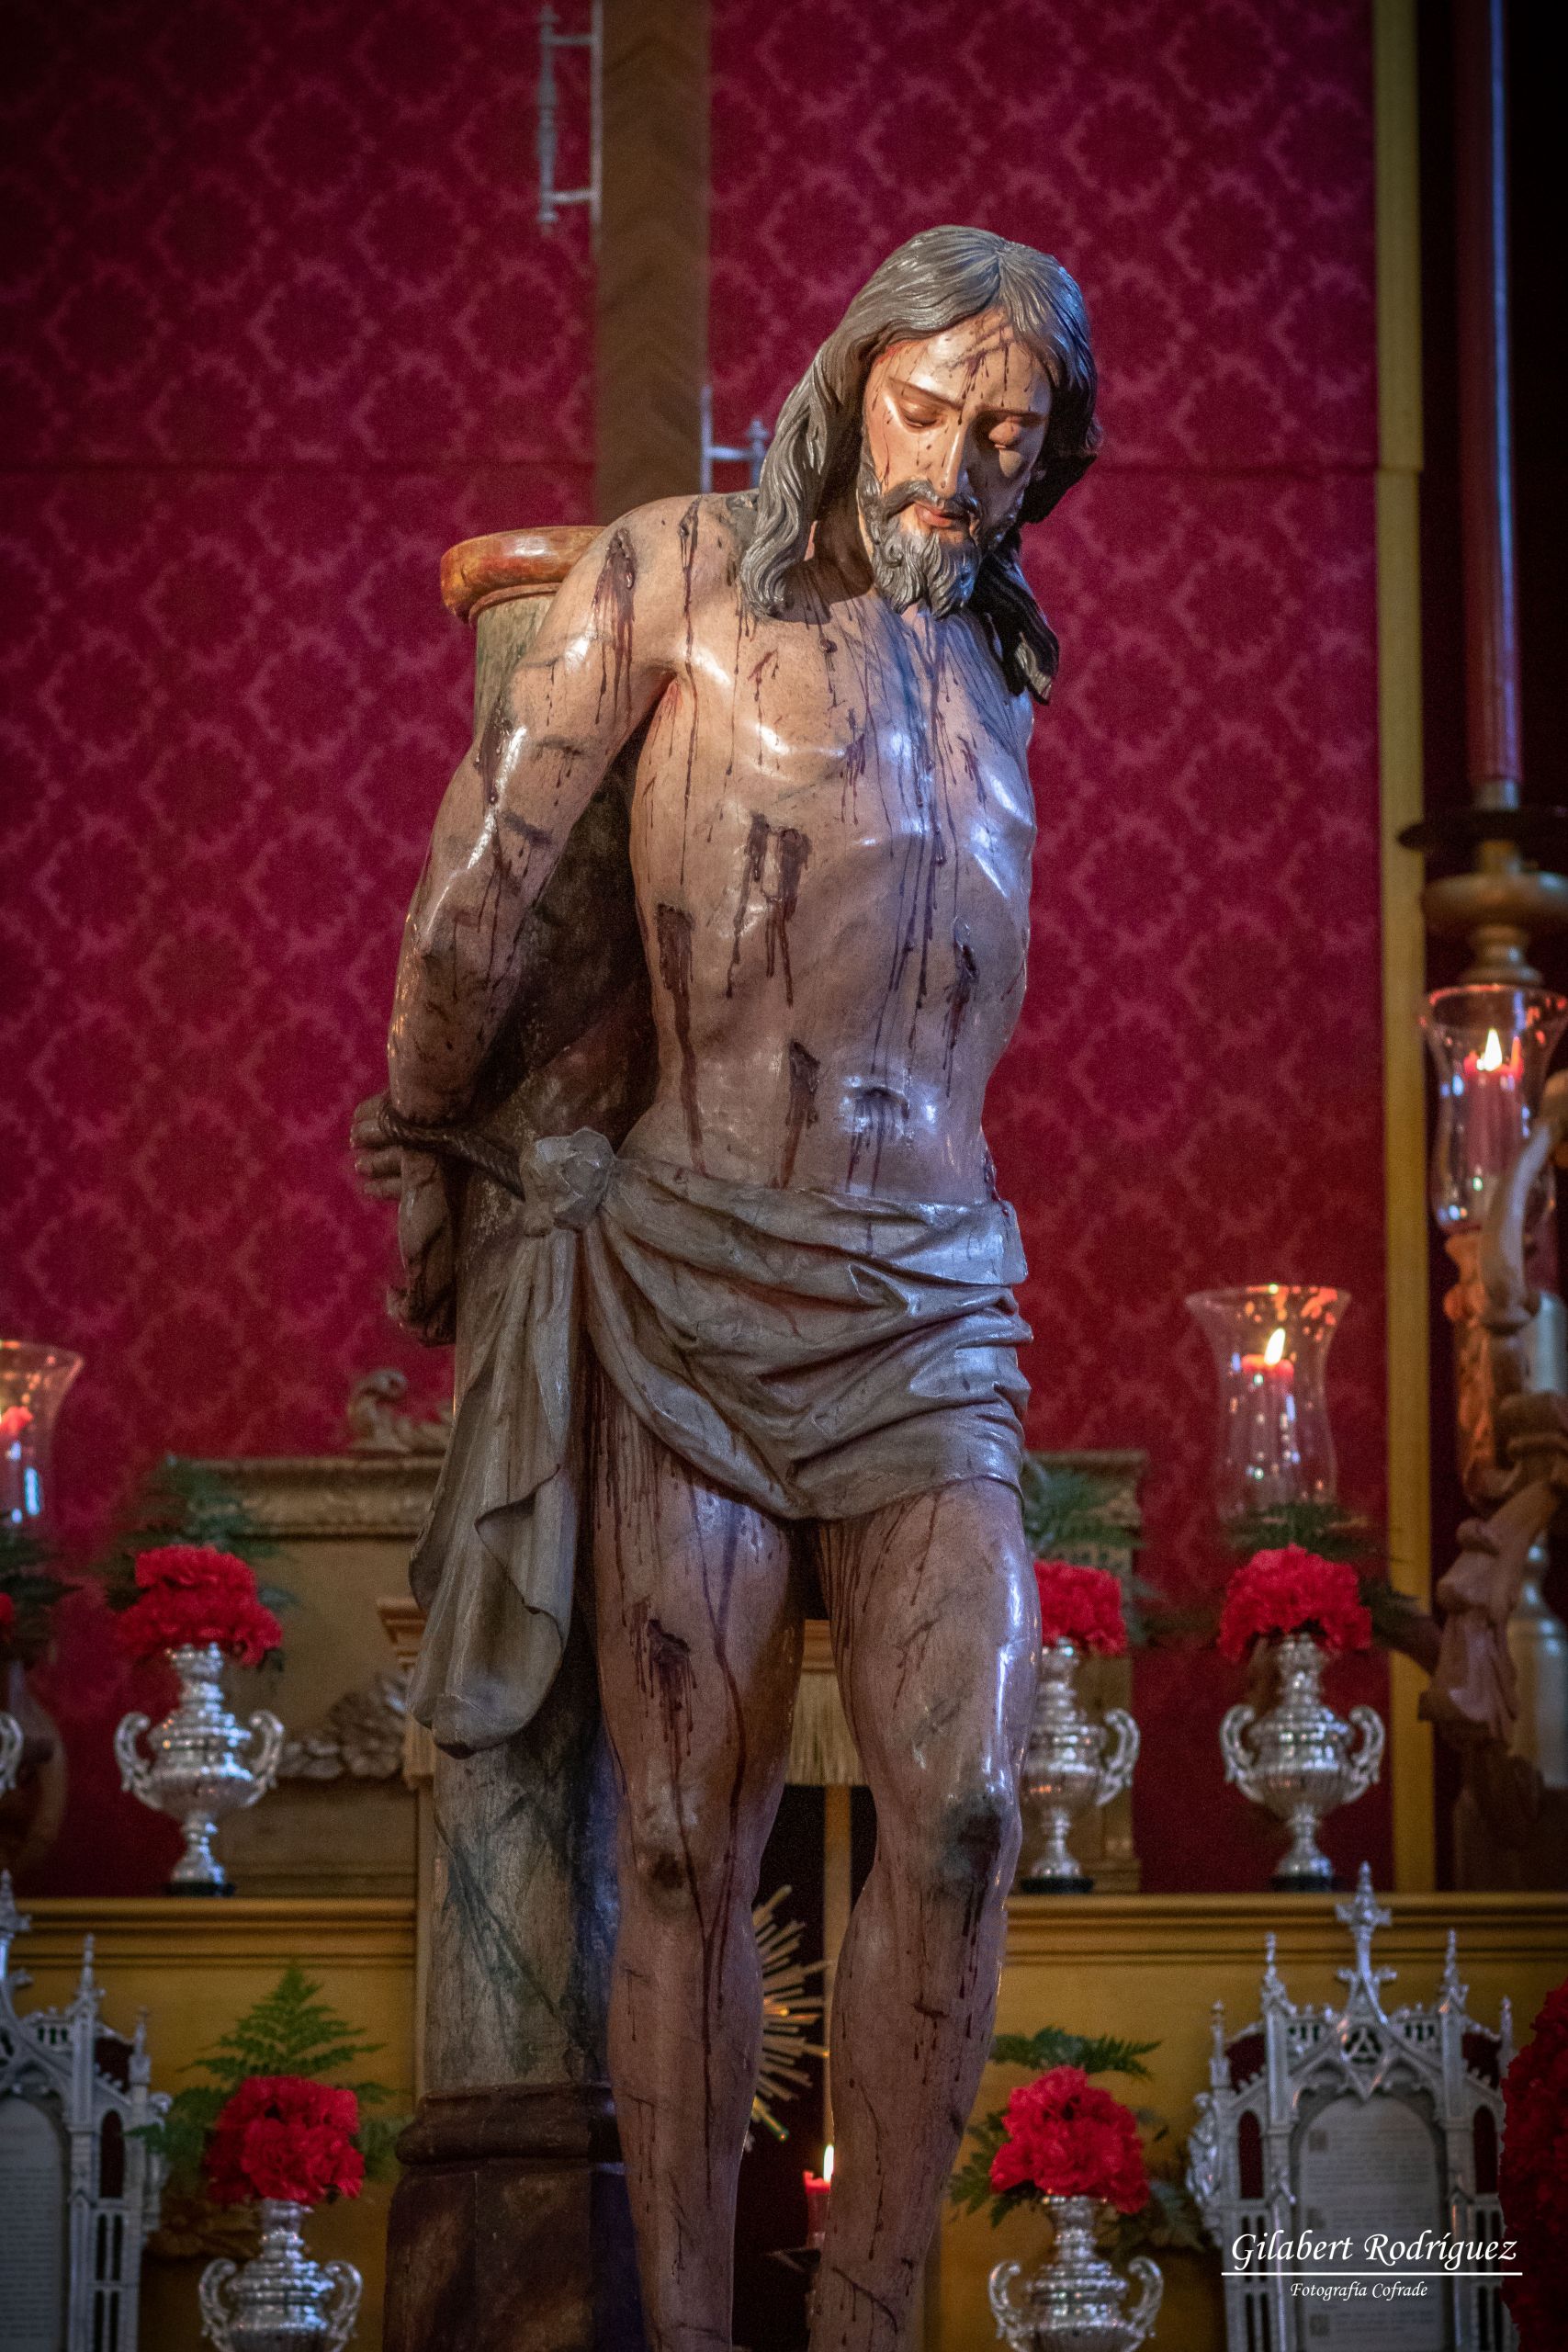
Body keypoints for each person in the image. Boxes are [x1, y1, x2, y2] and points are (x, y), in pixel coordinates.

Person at [355, 223, 1099, 2352]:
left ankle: (867, 2321)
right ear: (848, 382)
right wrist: (429, 1122)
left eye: (1006, 435)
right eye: (924, 407)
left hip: (934, 1300)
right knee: (684, 1836)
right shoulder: (667, 574)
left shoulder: (995, 668)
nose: (952, 466)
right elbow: (486, 886)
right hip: (690, 1271)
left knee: (961, 1808)